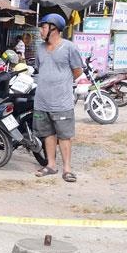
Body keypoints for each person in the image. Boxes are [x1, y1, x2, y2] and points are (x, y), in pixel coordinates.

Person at [32, 13, 83, 182]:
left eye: (44, 27)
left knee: (64, 135)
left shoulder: (69, 47)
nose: (41, 30)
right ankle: (51, 165)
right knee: (47, 133)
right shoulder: (40, 48)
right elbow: (40, 68)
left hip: (62, 101)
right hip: (42, 100)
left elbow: (77, 71)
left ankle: (67, 169)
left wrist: (62, 84)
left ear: (54, 29)